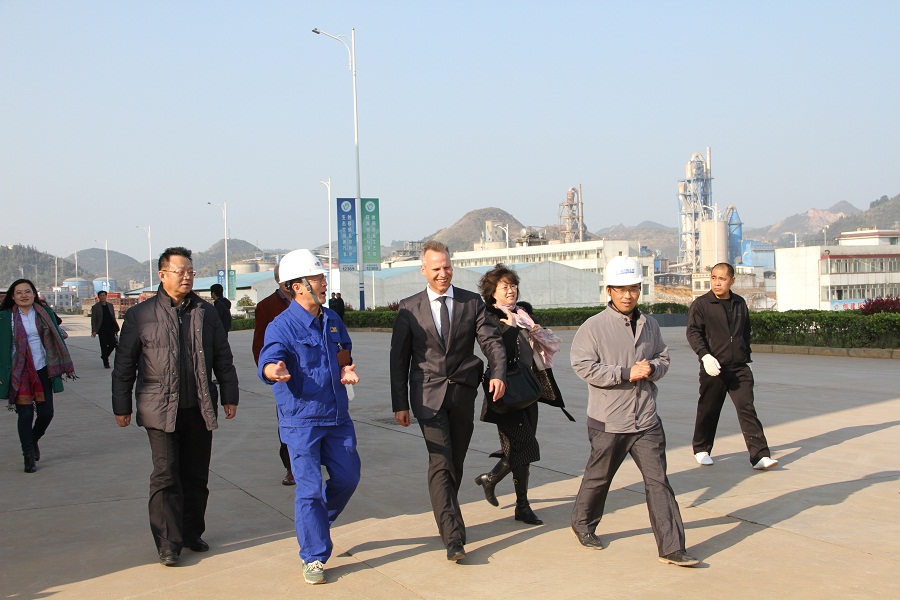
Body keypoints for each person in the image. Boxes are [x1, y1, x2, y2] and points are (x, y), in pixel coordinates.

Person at [112, 247, 239, 567]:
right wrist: (121, 405)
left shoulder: (206, 312)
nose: (187, 277)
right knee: (166, 476)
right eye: (180, 271)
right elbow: (124, 364)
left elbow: (222, 357)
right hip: (158, 408)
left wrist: (230, 395)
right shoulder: (141, 315)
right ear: (162, 274)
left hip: (199, 407)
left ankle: (192, 532)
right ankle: (168, 543)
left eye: (191, 272)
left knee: (196, 475)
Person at [570, 256, 699, 567]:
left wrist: (652, 368)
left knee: (659, 482)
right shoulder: (593, 327)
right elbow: (583, 366)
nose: (627, 295)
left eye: (633, 289)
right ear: (609, 291)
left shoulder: (649, 324)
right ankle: (583, 524)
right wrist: (626, 373)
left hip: (646, 420)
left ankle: (672, 547)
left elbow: (663, 358)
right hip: (609, 421)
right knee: (599, 478)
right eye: (621, 289)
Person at [390, 240, 507, 561]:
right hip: (427, 396)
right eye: (436, 268)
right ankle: (453, 537)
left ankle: (448, 516)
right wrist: (400, 403)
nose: (442, 273)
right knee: (440, 461)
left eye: (447, 267)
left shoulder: (471, 303)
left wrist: (498, 372)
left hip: (462, 393)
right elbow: (399, 360)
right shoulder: (409, 308)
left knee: (456, 461)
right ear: (423, 270)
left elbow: (491, 341)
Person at [258, 249, 361, 585]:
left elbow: (344, 350)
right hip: (301, 420)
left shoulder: (332, 319)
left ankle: (313, 524)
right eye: (317, 278)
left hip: (337, 417)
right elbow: (269, 358)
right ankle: (314, 555)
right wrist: (273, 370)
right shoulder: (281, 325)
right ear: (297, 286)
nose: (323, 283)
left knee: (348, 478)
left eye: (322, 277)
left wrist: (346, 369)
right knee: (309, 490)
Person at [474, 263, 567, 526]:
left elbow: (534, 351)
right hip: (505, 390)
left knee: (522, 447)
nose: (511, 291)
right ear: (492, 292)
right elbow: (497, 353)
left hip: (528, 387)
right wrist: (513, 328)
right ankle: (510, 495)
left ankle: (512, 497)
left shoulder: (523, 313)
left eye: (513, 286)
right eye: (504, 287)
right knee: (524, 446)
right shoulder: (489, 317)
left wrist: (535, 331)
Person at [686, 262, 778, 470]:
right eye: (714, 278)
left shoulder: (739, 303)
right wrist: (705, 356)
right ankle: (701, 449)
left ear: (732, 280)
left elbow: (745, 333)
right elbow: (693, 332)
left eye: (722, 279)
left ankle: (759, 456)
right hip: (714, 367)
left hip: (739, 368)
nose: (717, 283)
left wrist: (747, 358)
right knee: (709, 409)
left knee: (747, 408)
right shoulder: (702, 304)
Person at [1, 279, 75, 473]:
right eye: (19, 292)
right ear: (12, 296)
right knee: (25, 414)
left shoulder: (44, 313)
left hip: (43, 368)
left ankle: (33, 439)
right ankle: (28, 455)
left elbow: (57, 334)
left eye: (28, 291)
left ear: (34, 294)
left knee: (46, 413)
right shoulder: (5, 317)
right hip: (19, 371)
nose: (24, 295)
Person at [252, 264, 295, 486]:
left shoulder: (310, 303)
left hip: (312, 375)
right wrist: (269, 371)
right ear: (278, 279)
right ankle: (291, 467)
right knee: (287, 423)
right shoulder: (266, 306)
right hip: (284, 377)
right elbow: (259, 344)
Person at [90, 290, 120, 368]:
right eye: (101, 296)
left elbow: (113, 317)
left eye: (103, 295)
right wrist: (94, 330)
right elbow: (93, 320)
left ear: (106, 296)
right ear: (98, 297)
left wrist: (116, 328)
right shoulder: (95, 307)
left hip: (111, 328)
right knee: (103, 345)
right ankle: (106, 363)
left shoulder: (110, 305)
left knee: (113, 344)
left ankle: (104, 356)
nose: (102, 297)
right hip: (101, 329)